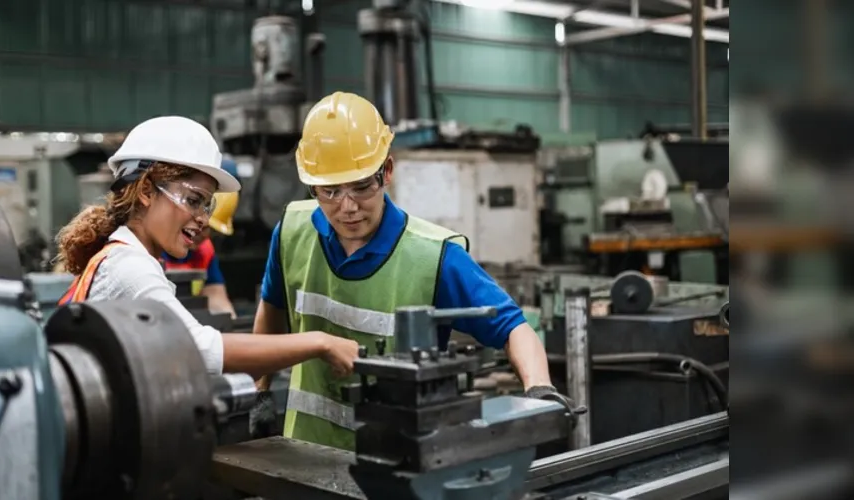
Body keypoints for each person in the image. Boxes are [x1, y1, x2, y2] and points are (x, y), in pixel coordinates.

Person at [253, 92, 567, 451]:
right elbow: (272, 307)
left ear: (386, 171)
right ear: (312, 186)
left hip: (398, 466)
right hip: (304, 454)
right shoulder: (292, 231)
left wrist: (540, 389)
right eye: (330, 191)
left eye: (361, 186)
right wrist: (260, 389)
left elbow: (514, 327)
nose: (348, 206)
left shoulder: (433, 256)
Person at [54, 115, 359, 378]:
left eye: (206, 205)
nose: (202, 219)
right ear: (146, 190)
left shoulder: (120, 255)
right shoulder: (131, 266)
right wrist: (320, 343)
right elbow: (199, 349)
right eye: (193, 200)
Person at [161, 158, 240, 318]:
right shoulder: (150, 247)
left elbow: (218, 300)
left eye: (211, 230)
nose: (202, 234)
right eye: (202, 227)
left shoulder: (204, 250)